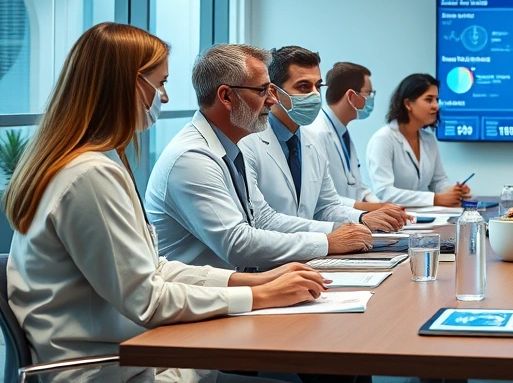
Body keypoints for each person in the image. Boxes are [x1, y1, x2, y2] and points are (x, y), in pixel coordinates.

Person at [4, 23, 327, 382]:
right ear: (125, 84)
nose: (165, 97)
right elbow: (147, 299)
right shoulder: (89, 175)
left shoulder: (87, 163)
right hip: (112, 370)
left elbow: (152, 269)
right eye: (160, 84)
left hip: (131, 354)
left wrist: (255, 283)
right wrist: (261, 296)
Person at [146, 44, 373, 271]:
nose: (272, 100)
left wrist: (339, 231)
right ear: (226, 96)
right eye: (262, 91)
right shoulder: (192, 158)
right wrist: (327, 242)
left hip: (236, 287)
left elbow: (264, 219)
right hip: (204, 298)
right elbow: (237, 243)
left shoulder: (231, 147)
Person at [239, 48, 407, 232]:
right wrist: (335, 233)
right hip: (270, 258)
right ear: (273, 92)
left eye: (317, 86)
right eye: (304, 86)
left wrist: (362, 218)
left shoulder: (311, 141)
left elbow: (326, 207)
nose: (315, 95)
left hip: (309, 253)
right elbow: (260, 220)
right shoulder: (248, 142)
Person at [366, 73, 470, 207]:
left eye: (436, 100)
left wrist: (452, 192)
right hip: (393, 219)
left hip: (427, 218)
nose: (436, 106)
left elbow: (438, 181)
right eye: (429, 99)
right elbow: (384, 192)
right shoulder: (383, 139)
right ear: (408, 104)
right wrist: (435, 199)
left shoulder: (428, 139)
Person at [308, 62, 385, 205]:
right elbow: (319, 198)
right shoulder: (316, 133)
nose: (371, 98)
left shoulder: (342, 132)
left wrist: (380, 206)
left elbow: (355, 185)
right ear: (351, 95)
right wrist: (369, 209)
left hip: (350, 218)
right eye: (368, 93)